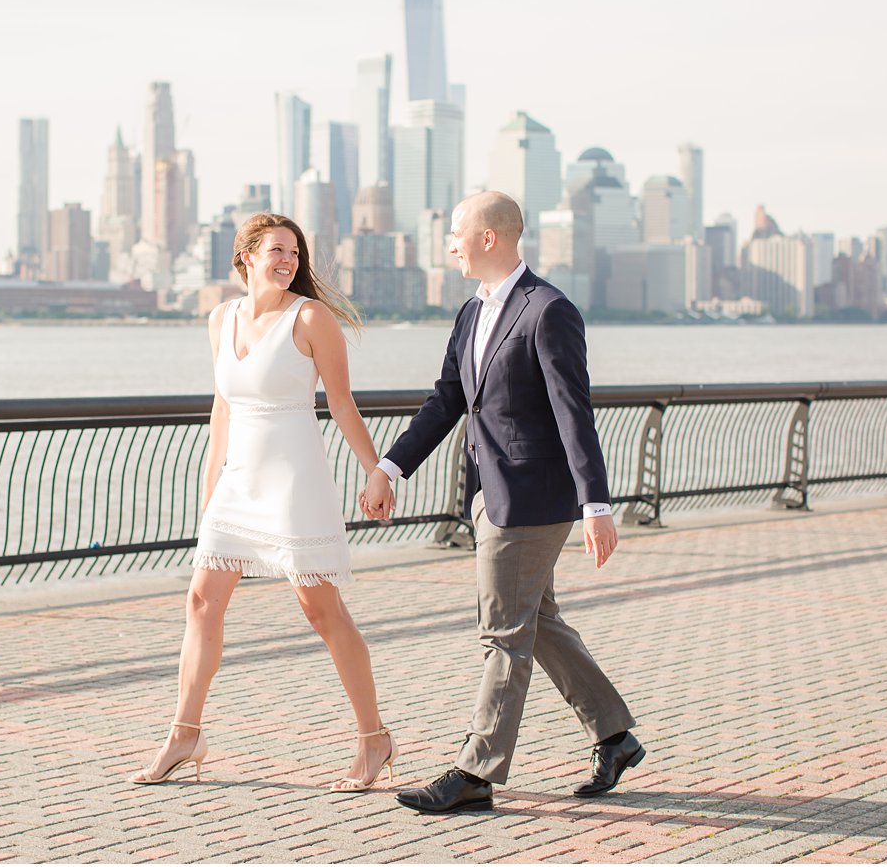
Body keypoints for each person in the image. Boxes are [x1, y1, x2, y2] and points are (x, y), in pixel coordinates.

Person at [361, 191, 643, 814]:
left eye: (456, 233)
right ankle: (615, 735)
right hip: (490, 493)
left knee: (503, 632)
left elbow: (575, 413)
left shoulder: (549, 311)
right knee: (534, 623)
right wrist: (390, 466)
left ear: (490, 237)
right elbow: (446, 400)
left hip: (535, 499)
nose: (450, 245)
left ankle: (475, 771)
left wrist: (596, 505)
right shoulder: (471, 313)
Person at [130, 212, 399, 792]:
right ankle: (185, 733)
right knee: (202, 600)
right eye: (276, 250)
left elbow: (343, 403)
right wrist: (210, 493)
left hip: (293, 479)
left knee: (321, 610)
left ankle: (374, 737)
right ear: (245, 256)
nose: (288, 261)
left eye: (295, 253)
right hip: (237, 481)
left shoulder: (310, 317)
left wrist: (376, 472)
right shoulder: (220, 318)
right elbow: (221, 408)